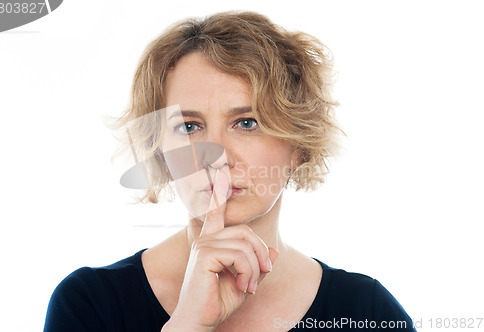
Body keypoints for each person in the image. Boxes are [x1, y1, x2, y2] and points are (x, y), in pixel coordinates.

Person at [44, 11, 416, 331]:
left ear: (299, 147)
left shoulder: (367, 312)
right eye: (189, 127)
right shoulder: (89, 305)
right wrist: (187, 323)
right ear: (161, 153)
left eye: (247, 122)